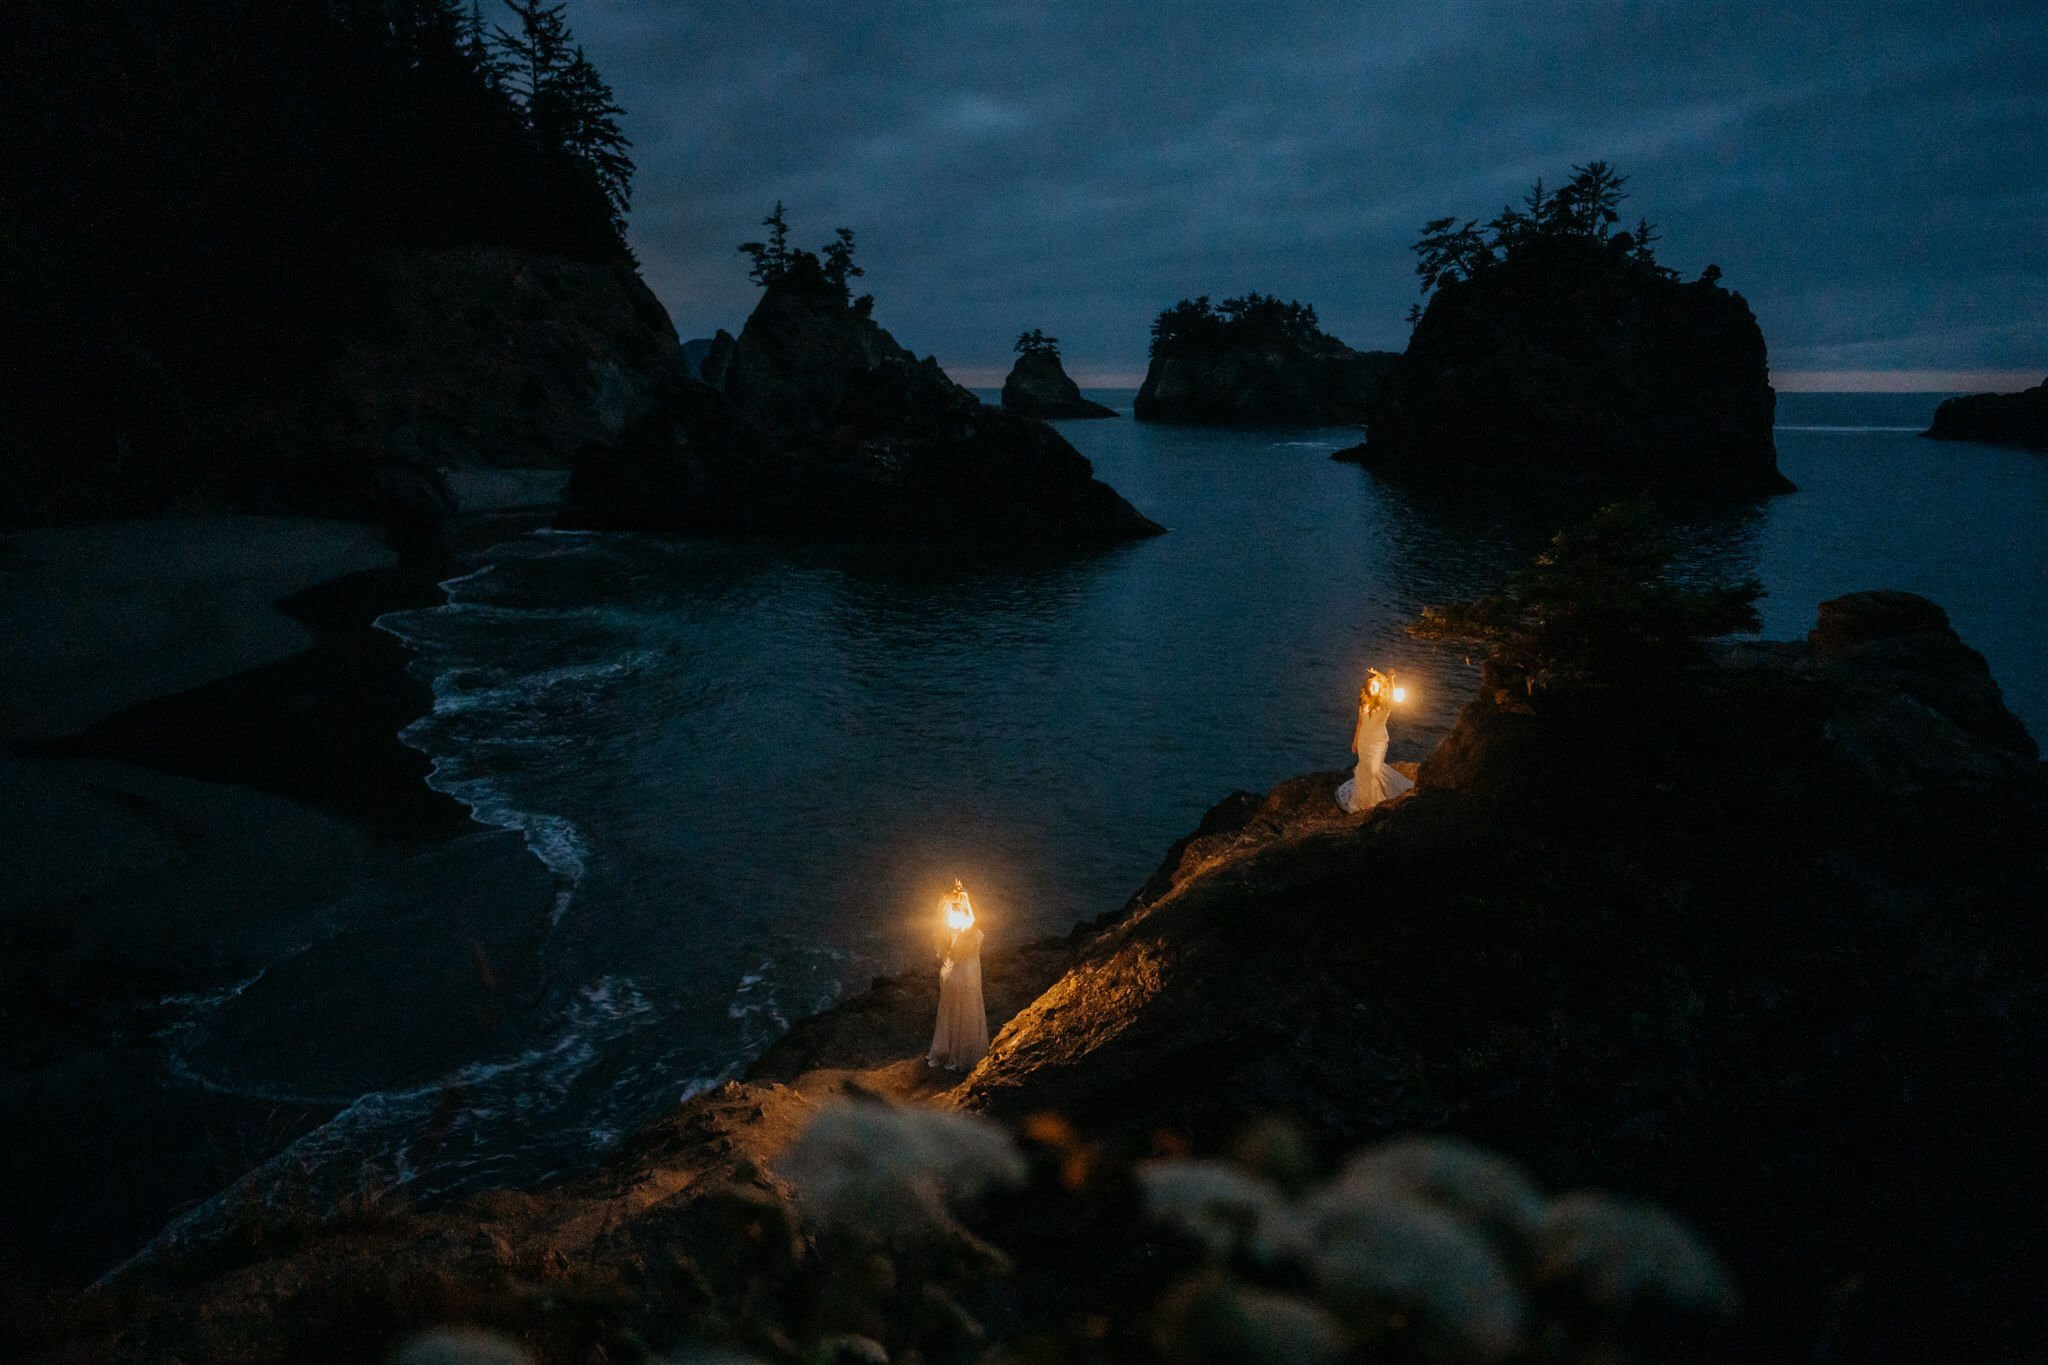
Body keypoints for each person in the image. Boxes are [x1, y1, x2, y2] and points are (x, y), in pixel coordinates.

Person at [927, 879, 989, 1070]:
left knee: (950, 1010)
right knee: (964, 1009)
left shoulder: (949, 921)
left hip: (952, 971)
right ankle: (961, 1051)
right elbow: (973, 923)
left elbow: (945, 939)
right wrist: (965, 896)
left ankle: (947, 1049)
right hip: (962, 973)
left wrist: (960, 895)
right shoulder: (966, 925)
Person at [1337, 669, 1415, 813]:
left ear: (1380, 688)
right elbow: (1359, 724)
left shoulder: (1384, 705)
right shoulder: (1363, 705)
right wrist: (1355, 741)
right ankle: (1365, 800)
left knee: (1374, 770)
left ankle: (1378, 800)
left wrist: (1389, 679)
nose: (1372, 688)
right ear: (1366, 688)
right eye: (1370, 686)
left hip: (1378, 741)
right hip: (1363, 741)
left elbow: (1392, 695)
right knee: (1366, 770)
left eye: (1375, 686)